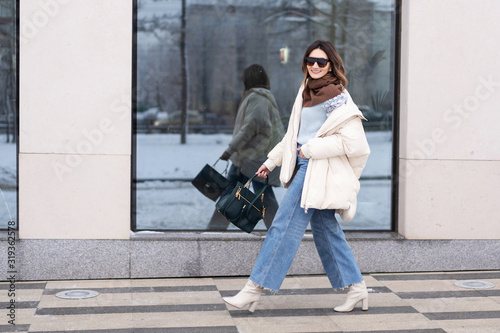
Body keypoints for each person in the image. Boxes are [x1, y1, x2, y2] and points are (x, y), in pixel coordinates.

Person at [222, 40, 371, 313]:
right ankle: (357, 288)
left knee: (283, 226)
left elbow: (355, 145)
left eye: (321, 62)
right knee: (326, 231)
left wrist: (311, 149)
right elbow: (293, 137)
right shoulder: (305, 92)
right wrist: (271, 161)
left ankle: (253, 289)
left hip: (316, 169)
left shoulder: (337, 96)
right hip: (305, 167)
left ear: (331, 65)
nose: (314, 66)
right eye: (310, 60)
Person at [207, 64, 285, 230]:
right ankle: (215, 229)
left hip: (253, 158)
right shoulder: (258, 97)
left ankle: (215, 229)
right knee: (238, 193)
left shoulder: (258, 99)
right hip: (249, 157)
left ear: (248, 80)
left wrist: (230, 149)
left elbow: (251, 126)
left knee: (260, 195)